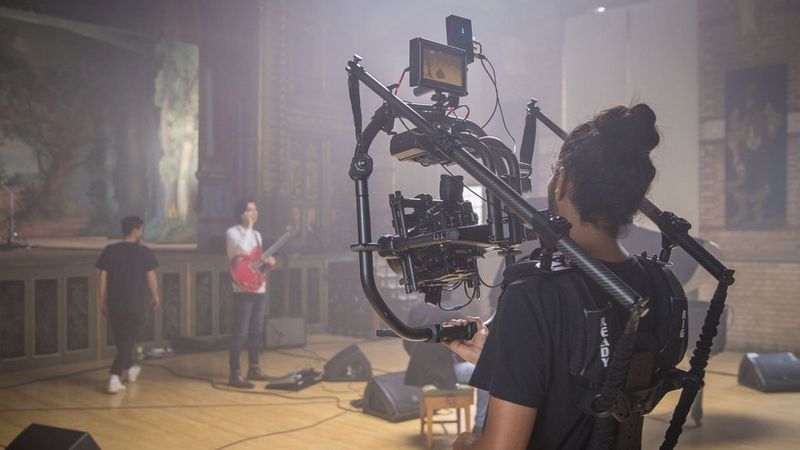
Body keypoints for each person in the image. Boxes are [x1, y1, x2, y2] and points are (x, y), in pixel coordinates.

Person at [445, 104, 669, 449]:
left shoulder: (534, 294)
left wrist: (463, 444)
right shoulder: (656, 282)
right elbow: (589, 373)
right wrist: (503, 356)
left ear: (563, 181)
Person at [402, 299, 489, 432]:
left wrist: (421, 361)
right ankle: (480, 425)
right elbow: (462, 349)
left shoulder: (416, 307)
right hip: (441, 370)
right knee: (486, 373)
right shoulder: (451, 310)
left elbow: (407, 342)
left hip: (419, 370)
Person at [96, 216, 159, 394]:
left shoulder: (110, 250)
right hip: (135, 303)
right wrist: (155, 294)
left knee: (122, 340)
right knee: (128, 341)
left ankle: (130, 369)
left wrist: (101, 299)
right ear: (135, 231)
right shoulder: (144, 252)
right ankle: (114, 377)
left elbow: (101, 275)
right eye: (141, 229)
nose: (142, 233)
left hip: (115, 303)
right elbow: (151, 275)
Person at [226, 199, 276, 388]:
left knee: (256, 331)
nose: (254, 213)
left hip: (258, 287)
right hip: (242, 288)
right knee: (240, 332)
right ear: (241, 213)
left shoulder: (257, 235)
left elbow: (255, 261)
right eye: (249, 210)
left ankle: (254, 368)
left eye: (255, 210)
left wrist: (268, 264)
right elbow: (241, 252)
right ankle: (235, 373)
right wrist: (247, 228)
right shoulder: (232, 232)